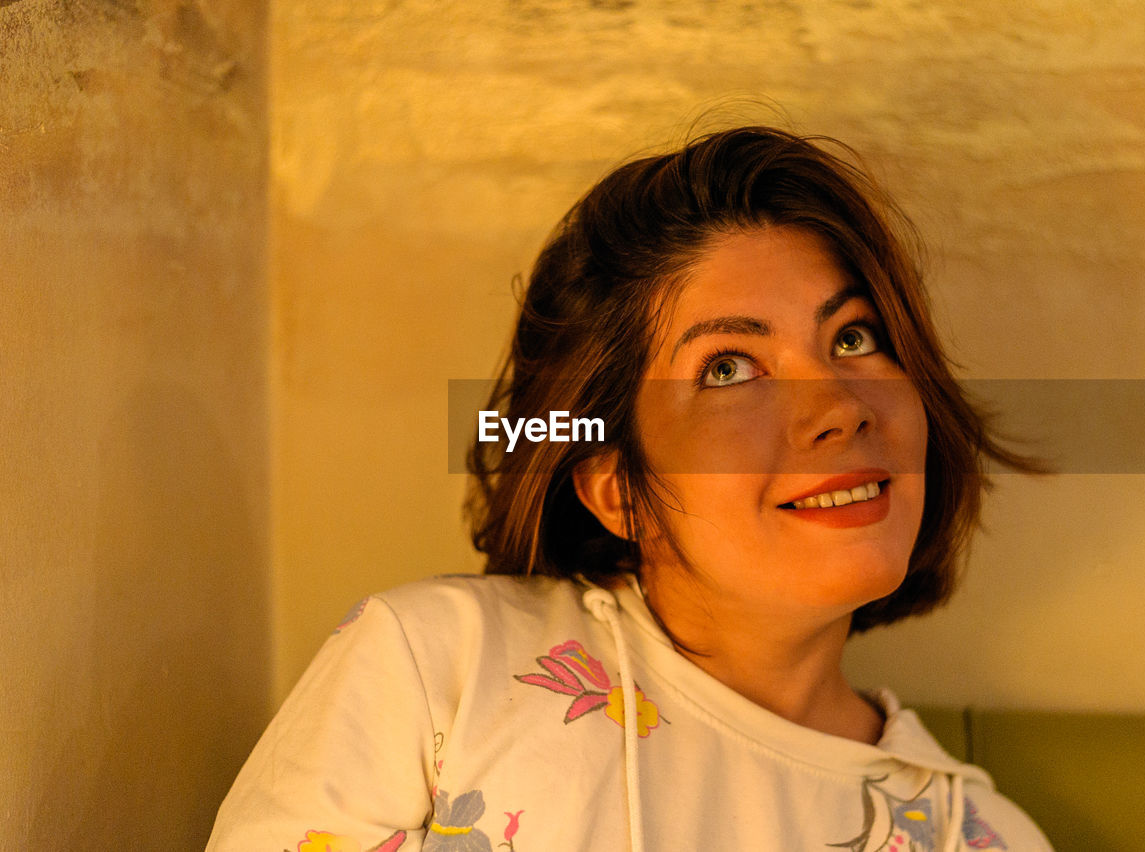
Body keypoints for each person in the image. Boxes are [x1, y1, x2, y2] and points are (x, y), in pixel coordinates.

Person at [208, 126, 1052, 851]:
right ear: (618, 488)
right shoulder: (433, 670)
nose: (838, 408)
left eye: (855, 336)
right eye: (728, 367)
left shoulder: (974, 833)